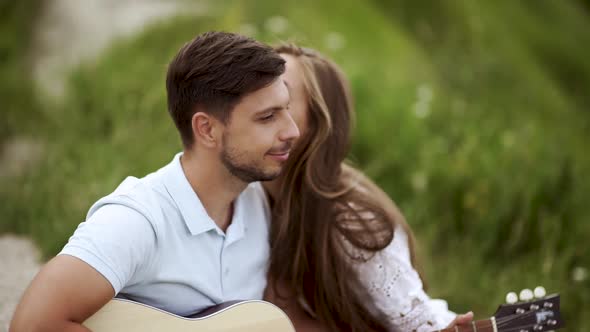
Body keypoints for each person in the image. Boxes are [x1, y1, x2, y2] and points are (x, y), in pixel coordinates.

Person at [10, 31, 299, 332]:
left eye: (287, 109)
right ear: (207, 129)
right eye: (267, 117)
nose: (292, 131)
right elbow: (33, 325)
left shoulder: (259, 198)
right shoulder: (135, 220)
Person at [262, 44, 473, 332]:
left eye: (281, 94)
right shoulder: (246, 184)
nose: (258, 100)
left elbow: (417, 320)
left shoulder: (352, 223)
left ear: (316, 127)